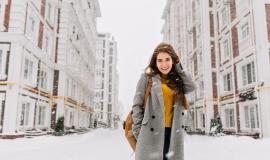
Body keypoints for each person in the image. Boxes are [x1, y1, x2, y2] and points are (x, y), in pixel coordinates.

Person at [132, 42, 196, 160]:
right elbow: (137, 105)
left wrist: (179, 67)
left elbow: (191, 87)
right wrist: (138, 130)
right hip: (150, 133)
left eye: (167, 59)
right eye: (160, 60)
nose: (164, 64)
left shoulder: (177, 79)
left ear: (173, 60)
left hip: (172, 133)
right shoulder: (147, 78)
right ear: (155, 62)